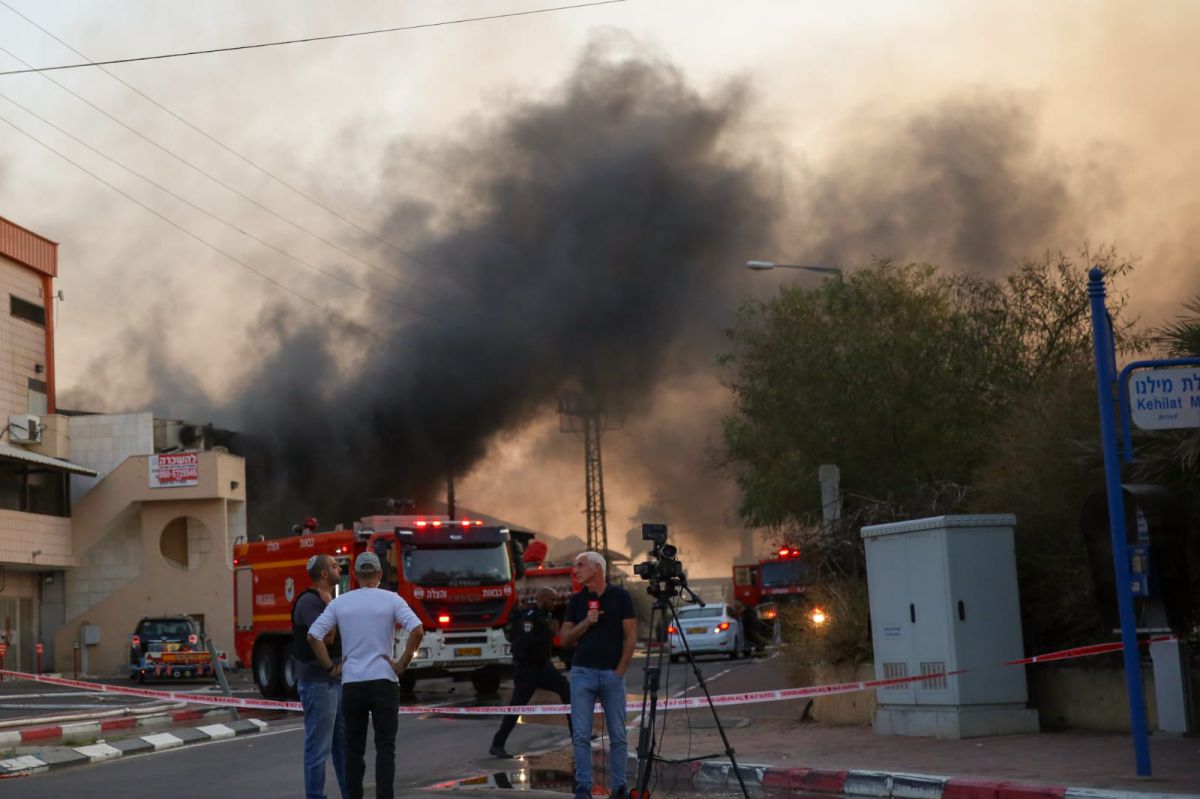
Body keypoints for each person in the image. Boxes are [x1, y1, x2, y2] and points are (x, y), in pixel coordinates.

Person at [309, 551, 424, 799]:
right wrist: (402, 663)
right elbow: (417, 630)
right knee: (385, 748)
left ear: (355, 575)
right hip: (384, 681)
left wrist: (331, 668)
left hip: (352, 683)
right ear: (379, 574)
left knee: (353, 749)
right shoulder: (392, 600)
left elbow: (313, 635)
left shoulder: (341, 603)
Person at [559, 551, 637, 799]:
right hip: (582, 673)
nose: (576, 570)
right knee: (581, 734)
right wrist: (586, 622)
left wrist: (619, 672)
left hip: (612, 674)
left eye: (580, 565)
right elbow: (564, 638)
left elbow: (631, 637)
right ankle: (584, 787)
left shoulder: (621, 596)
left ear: (597, 569)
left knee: (618, 735)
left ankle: (619, 788)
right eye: (575, 566)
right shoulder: (577, 601)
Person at [489, 587, 573, 758]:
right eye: (552, 599)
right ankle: (497, 744)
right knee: (517, 706)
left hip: (544, 667)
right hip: (527, 669)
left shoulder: (546, 616)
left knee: (567, 690)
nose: (555, 603)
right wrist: (549, 633)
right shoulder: (530, 617)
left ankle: (577, 734)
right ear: (543, 599)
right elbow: (525, 642)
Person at [293, 554, 348, 799]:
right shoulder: (309, 602)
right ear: (324, 574)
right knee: (318, 749)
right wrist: (331, 609)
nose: (340, 569)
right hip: (319, 683)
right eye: (335, 566)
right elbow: (325, 638)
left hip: (335, 683)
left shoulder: (328, 600)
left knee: (343, 747)